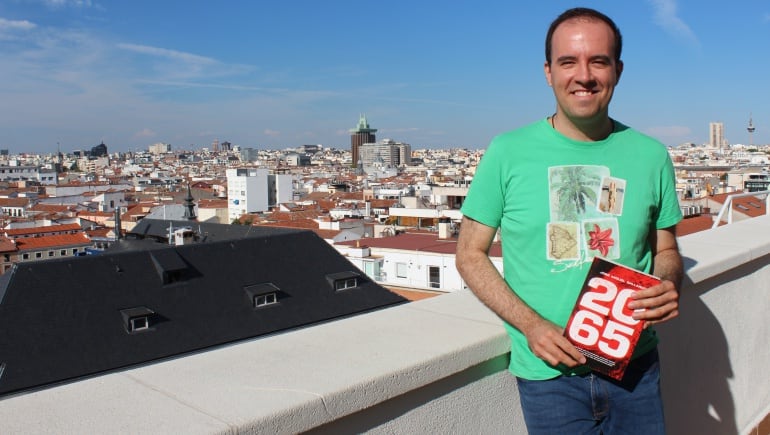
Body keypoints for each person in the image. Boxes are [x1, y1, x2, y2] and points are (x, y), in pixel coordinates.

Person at [455, 7, 683, 434]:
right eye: (568, 62)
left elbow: (666, 248)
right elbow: (469, 254)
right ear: (548, 72)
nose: (584, 75)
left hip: (634, 367)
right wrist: (531, 325)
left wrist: (669, 283)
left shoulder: (651, 155)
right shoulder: (507, 152)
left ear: (617, 69)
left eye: (598, 61)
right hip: (549, 376)